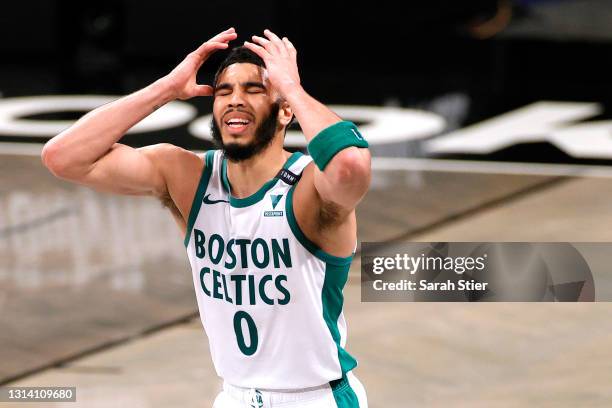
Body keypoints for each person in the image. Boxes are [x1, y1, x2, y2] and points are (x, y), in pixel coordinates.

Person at [41, 27, 371, 408]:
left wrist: (291, 88)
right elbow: (62, 158)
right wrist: (165, 88)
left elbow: (350, 165)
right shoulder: (188, 176)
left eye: (253, 89)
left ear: (284, 112)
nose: (234, 100)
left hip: (315, 398)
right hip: (233, 397)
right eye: (224, 91)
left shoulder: (309, 187)